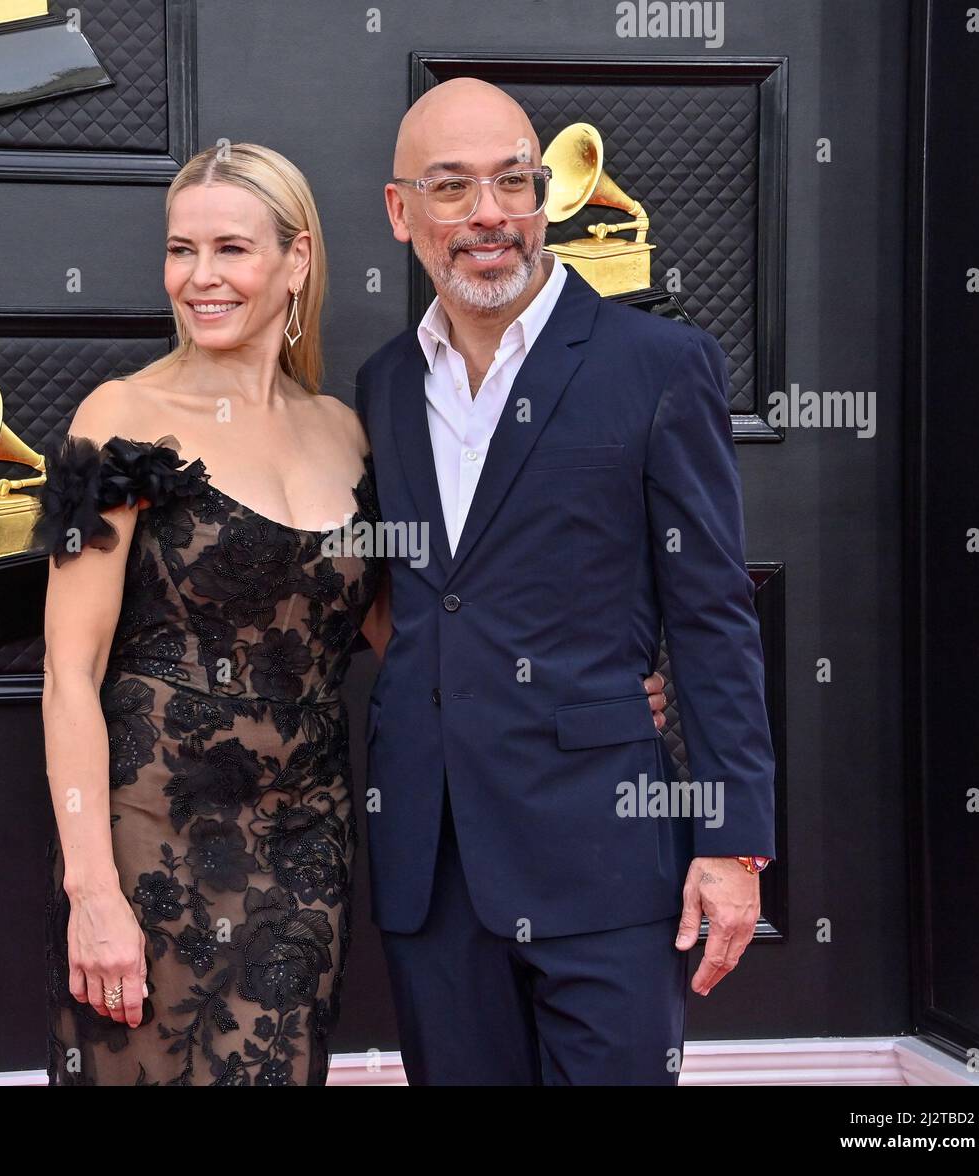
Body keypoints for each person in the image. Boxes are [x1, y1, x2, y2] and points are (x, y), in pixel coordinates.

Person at [353, 78, 776, 1085]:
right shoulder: (382, 386)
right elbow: (415, 601)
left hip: (604, 855)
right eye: (451, 188)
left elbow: (713, 616)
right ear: (400, 210)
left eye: (513, 180)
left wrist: (732, 844)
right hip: (432, 864)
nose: (490, 213)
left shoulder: (659, 364)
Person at [37, 143, 386, 1085]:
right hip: (152, 831)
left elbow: (408, 631)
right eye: (179, 250)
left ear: (297, 258)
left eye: (230, 248)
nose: (199, 279)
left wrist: (577, 674)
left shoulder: (346, 430)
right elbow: (68, 672)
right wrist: (93, 890)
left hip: (309, 832)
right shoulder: (117, 416)